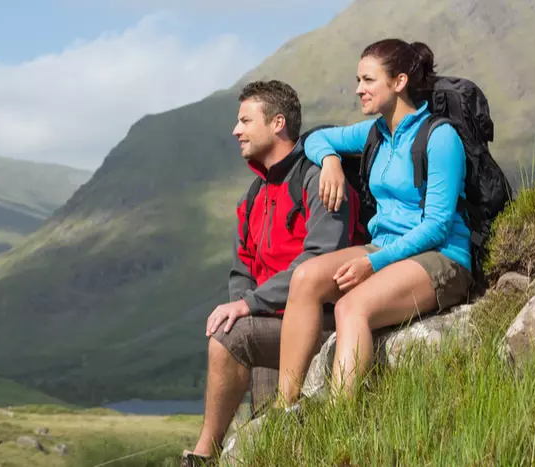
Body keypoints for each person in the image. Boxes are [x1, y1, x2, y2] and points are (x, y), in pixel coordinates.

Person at [275, 39, 475, 406]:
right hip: (384, 248)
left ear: (399, 82)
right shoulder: (375, 134)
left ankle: (340, 423)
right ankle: (284, 406)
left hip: (440, 256)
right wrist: (332, 162)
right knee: (304, 278)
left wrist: (373, 264)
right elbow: (315, 139)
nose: (358, 89)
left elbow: (437, 225)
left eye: (368, 80)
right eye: (358, 80)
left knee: (351, 307)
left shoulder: (440, 137)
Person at [181, 80, 360, 465]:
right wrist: (246, 303)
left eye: (245, 120)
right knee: (270, 434)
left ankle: (203, 455)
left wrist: (248, 307)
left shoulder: (319, 178)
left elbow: (320, 258)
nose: (236, 130)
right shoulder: (254, 195)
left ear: (277, 123)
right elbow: (241, 268)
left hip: (321, 320)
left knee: (230, 336)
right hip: (273, 322)